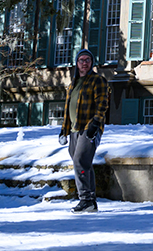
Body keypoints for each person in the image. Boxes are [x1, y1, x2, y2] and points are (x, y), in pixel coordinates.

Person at [59, 48, 108, 213]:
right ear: (77, 63)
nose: (84, 63)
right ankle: (91, 202)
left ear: (91, 63)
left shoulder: (97, 80)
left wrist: (95, 124)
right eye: (81, 60)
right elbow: (68, 110)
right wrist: (63, 131)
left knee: (80, 161)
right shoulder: (72, 84)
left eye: (88, 60)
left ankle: (85, 199)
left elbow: (102, 104)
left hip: (89, 129)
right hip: (74, 130)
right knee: (83, 163)